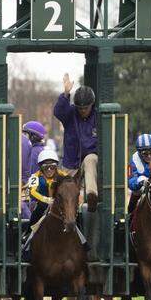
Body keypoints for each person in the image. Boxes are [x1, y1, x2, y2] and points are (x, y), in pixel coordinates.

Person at [24, 149, 89, 249]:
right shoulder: (35, 177)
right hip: (43, 204)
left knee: (73, 214)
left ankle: (81, 239)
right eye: (46, 167)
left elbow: (70, 187)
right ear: (41, 168)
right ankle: (28, 236)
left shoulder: (63, 175)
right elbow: (32, 191)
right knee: (36, 213)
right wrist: (45, 199)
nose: (49, 170)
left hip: (59, 204)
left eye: (52, 167)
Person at [54, 74, 99, 207]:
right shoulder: (71, 113)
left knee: (90, 159)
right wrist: (66, 93)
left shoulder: (98, 116)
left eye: (86, 108)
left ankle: (92, 195)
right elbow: (58, 111)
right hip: (71, 162)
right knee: (67, 194)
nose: (83, 111)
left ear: (92, 105)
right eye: (80, 108)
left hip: (89, 162)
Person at [20, 121, 48, 220]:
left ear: (33, 137)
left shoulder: (34, 152)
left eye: (26, 133)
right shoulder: (42, 150)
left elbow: (29, 175)